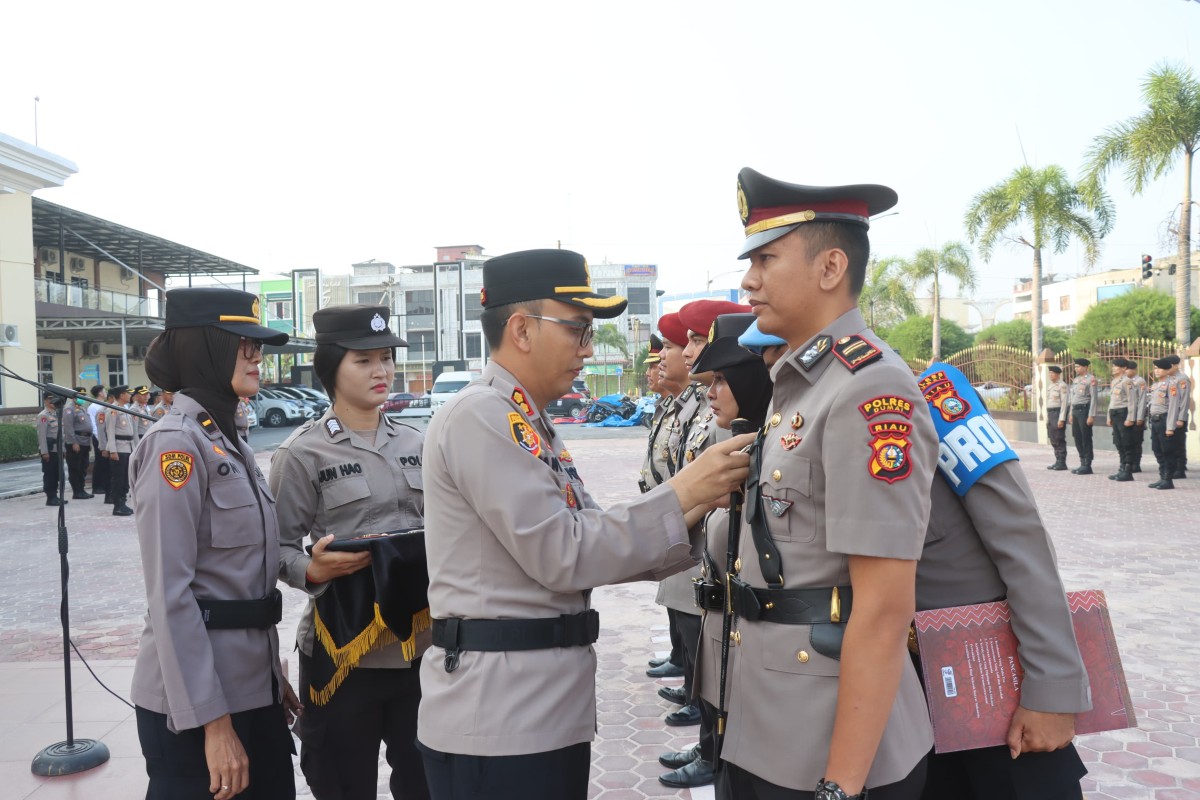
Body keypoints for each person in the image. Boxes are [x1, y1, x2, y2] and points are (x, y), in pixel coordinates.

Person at [416, 248, 753, 800]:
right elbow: (564, 553)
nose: (588, 348)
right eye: (578, 330)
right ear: (521, 329)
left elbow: (595, 532)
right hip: (499, 717)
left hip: (533, 705)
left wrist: (700, 502)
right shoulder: (481, 416)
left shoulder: (527, 419)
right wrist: (686, 489)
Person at [715, 168, 937, 800]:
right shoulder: (802, 383)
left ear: (830, 266)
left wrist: (840, 787)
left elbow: (886, 607)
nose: (748, 280)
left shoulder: (868, 385)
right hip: (771, 721)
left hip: (831, 745)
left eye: (766, 259)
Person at [129, 287, 298, 800]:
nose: (257, 355)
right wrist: (213, 722)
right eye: (242, 343)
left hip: (251, 689)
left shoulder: (230, 442)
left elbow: (242, 585)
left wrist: (270, 679)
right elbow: (172, 596)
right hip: (198, 707)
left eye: (258, 345)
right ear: (204, 348)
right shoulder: (175, 446)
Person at [271, 304, 431, 800]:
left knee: (426, 780)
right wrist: (309, 570)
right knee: (343, 783)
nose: (381, 370)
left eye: (385, 358)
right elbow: (272, 546)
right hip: (345, 654)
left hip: (421, 648)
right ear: (330, 368)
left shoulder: (419, 442)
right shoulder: (303, 452)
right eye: (364, 360)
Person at [915, 363, 1090, 800]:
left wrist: (1051, 690)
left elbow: (1021, 540)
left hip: (986, 677)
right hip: (901, 693)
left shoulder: (932, 396)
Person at [671, 311, 772, 791]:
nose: (709, 392)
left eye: (722, 380)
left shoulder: (772, 443)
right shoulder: (737, 437)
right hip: (725, 628)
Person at [105, 385, 139, 516]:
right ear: (121, 395)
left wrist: (135, 449)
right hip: (119, 448)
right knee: (118, 479)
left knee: (126, 478)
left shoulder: (125, 409)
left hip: (128, 447)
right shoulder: (112, 410)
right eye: (127, 393)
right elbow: (110, 431)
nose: (130, 396)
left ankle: (123, 503)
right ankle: (117, 505)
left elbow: (133, 432)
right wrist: (113, 451)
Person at [1063, 358, 1097, 475]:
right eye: (1075, 367)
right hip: (1076, 411)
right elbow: (1073, 398)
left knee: (1085, 437)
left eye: (1078, 367)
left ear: (1085, 367)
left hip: (1084, 410)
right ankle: (1082, 461)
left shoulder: (1091, 380)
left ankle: (1087, 464)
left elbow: (1094, 399)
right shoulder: (1076, 380)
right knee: (1077, 437)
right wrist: (1071, 413)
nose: (1076, 368)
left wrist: (1091, 415)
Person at [1106, 359, 1134, 481]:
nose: (1113, 368)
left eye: (1116, 367)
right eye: (1113, 366)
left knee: (1126, 443)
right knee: (1118, 442)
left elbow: (1132, 401)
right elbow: (1111, 401)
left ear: (1123, 368)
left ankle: (1128, 471)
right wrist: (1109, 416)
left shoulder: (1127, 381)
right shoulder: (1114, 381)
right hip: (1115, 413)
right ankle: (1121, 468)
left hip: (1123, 413)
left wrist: (1130, 418)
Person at [65, 388, 95, 499]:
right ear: (74, 397)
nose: (83, 398)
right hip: (76, 441)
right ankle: (77, 491)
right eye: (80, 396)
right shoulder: (69, 409)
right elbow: (68, 427)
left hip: (85, 441)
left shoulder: (82, 408)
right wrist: (73, 442)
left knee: (83, 466)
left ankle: (81, 489)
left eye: (84, 396)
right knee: (75, 467)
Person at [36, 393, 65, 506]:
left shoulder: (57, 414)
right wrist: (44, 452)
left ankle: (56, 496)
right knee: (50, 474)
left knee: (58, 474)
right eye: (51, 399)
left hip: (58, 449)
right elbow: (41, 436)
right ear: (46, 401)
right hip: (49, 450)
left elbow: (61, 434)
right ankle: (51, 497)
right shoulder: (43, 416)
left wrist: (63, 450)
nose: (54, 402)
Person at [1166, 354, 1191, 478]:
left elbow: (1184, 400)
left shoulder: (1182, 379)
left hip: (1178, 417)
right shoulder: (1168, 379)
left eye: (1168, 365)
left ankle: (1180, 469)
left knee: (1178, 444)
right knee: (1171, 444)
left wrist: (1181, 418)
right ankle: (1174, 466)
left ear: (1175, 365)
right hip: (1170, 416)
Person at [1043, 365, 1069, 470]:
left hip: (1058, 413)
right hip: (1051, 414)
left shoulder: (1062, 386)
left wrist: (1062, 418)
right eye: (1049, 373)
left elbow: (1064, 403)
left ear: (1058, 374)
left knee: (1059, 438)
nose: (1050, 375)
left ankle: (1062, 462)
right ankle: (1057, 460)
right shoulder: (1051, 386)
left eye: (1052, 373)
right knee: (1053, 438)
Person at [1125, 360, 1147, 473]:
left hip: (1137, 415)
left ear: (1133, 369)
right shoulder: (1125, 381)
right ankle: (1128, 462)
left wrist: (1140, 417)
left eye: (1127, 369)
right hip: (1128, 416)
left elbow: (1142, 400)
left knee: (1137, 441)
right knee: (1128, 440)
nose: (1125, 371)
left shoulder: (1140, 381)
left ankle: (1136, 464)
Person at [88, 384, 110, 497]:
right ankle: (97, 486)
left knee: (106, 463)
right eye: (104, 391)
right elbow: (94, 425)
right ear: (100, 393)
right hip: (99, 437)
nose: (105, 392)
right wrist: (100, 439)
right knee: (100, 462)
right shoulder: (93, 407)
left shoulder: (105, 405)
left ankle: (105, 485)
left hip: (106, 437)